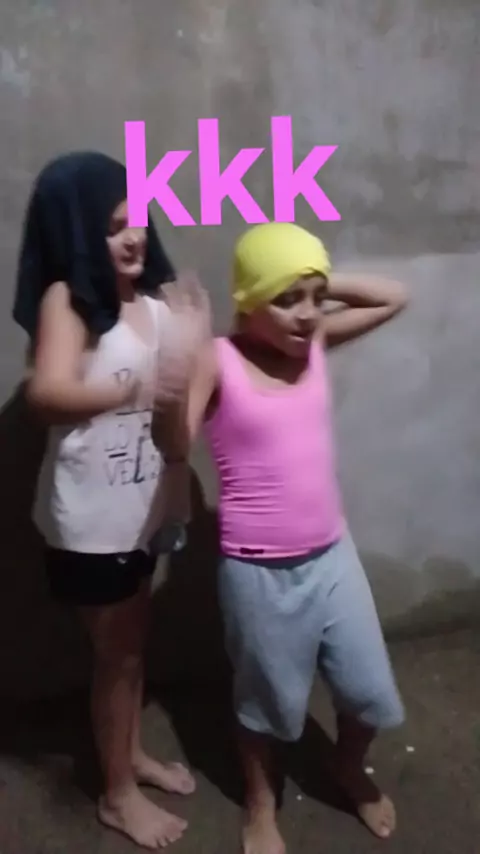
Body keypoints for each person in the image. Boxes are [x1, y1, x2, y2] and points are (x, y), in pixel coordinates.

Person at [177, 222, 409, 854]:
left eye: (316, 296)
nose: (307, 314)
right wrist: (179, 365)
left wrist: (312, 279)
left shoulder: (314, 340)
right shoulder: (217, 359)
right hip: (258, 571)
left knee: (367, 691)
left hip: (333, 556)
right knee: (265, 705)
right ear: (248, 300)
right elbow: (174, 446)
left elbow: (394, 297)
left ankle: (345, 765)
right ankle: (260, 803)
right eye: (286, 299)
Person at [13, 151, 209, 850]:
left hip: (142, 513)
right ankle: (118, 795)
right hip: (91, 525)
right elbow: (45, 394)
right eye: (112, 227)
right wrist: (131, 388)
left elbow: (176, 412)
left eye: (137, 220)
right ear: (74, 232)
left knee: (130, 646)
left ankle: (129, 757)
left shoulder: (152, 304)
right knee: (118, 658)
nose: (133, 237)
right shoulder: (68, 301)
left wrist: (189, 356)